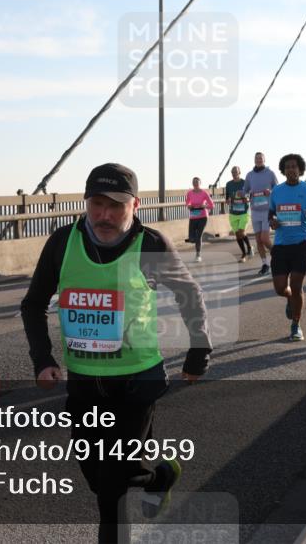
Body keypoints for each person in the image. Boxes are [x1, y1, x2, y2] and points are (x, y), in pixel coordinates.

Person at [20, 163, 212, 544]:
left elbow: (189, 294)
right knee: (98, 474)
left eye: (116, 206)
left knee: (111, 489)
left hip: (137, 378)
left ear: (135, 205)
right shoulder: (62, 242)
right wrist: (43, 359)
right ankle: (159, 476)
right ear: (86, 202)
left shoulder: (151, 243)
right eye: (96, 205)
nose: (104, 215)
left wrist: (198, 351)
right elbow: (33, 305)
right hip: (84, 381)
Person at [268, 154, 306, 341]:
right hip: (281, 245)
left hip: (302, 244)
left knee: (297, 285)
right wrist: (273, 222)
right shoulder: (277, 191)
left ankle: (296, 325)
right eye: (287, 167)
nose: (291, 169)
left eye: (294, 166)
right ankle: (289, 298)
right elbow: (271, 214)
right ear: (283, 171)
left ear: (300, 169)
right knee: (280, 288)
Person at [243, 152, 279, 275]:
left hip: (267, 210)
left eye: (260, 158)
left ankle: (277, 256)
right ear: (254, 160)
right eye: (256, 158)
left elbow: (278, 188)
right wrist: (247, 194)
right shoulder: (250, 175)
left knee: (265, 238)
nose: (258, 160)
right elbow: (245, 191)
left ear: (264, 160)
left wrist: (271, 192)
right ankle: (265, 264)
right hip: (254, 211)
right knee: (258, 241)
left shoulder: (270, 173)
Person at [225, 166, 253, 262]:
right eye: (233, 172)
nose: (234, 174)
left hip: (243, 212)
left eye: (236, 172)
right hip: (233, 213)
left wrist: (247, 199)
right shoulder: (228, 184)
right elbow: (227, 198)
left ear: (239, 172)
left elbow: (251, 196)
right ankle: (247, 250)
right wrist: (228, 201)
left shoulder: (245, 183)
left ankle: (245, 253)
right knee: (237, 235)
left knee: (241, 232)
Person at [185, 178, 214, 263]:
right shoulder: (189, 193)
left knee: (198, 236)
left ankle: (198, 255)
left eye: (197, 182)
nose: (195, 184)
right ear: (192, 183)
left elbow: (212, 205)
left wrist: (205, 206)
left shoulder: (204, 193)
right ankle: (197, 244)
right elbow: (187, 202)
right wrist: (189, 205)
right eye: (194, 182)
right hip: (193, 217)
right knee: (191, 238)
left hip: (203, 217)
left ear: (200, 183)